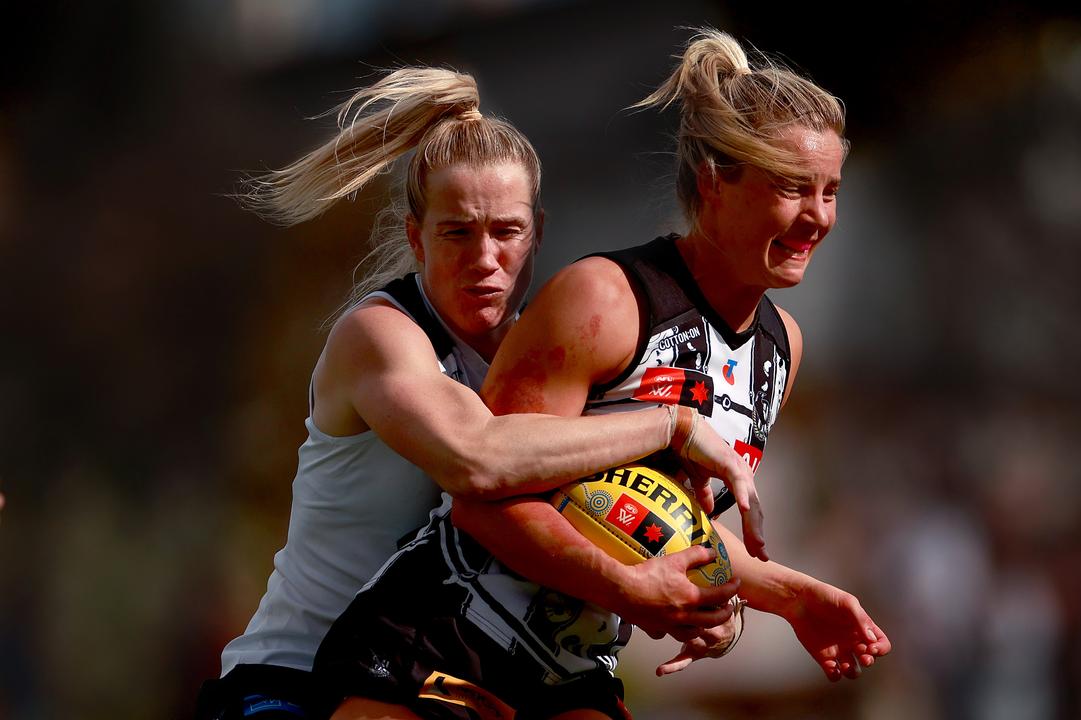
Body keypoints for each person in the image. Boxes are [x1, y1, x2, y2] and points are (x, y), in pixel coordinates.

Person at [314, 29, 891, 720]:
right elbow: (482, 498)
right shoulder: (606, 299)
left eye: (830, 191)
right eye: (793, 188)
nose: (817, 218)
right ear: (714, 181)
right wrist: (628, 588)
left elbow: (661, 516)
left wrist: (778, 597)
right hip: (443, 642)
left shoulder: (780, 349)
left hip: (571, 674)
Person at [196, 66, 760, 720]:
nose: (484, 257)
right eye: (457, 232)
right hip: (297, 682)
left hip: (459, 682)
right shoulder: (380, 337)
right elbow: (479, 459)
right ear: (416, 237)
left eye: (506, 231)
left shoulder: (553, 366)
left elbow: (640, 511)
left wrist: (718, 601)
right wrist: (672, 424)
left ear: (539, 233)